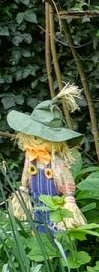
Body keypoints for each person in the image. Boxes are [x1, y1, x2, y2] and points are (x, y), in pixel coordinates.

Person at [8, 85, 87, 233]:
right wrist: (23, 190)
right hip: (36, 200)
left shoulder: (56, 163)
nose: (36, 141)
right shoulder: (30, 157)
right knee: (38, 224)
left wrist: (69, 199)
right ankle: (44, 251)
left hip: (55, 203)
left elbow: (66, 179)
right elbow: (26, 175)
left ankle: (59, 252)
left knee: (56, 228)